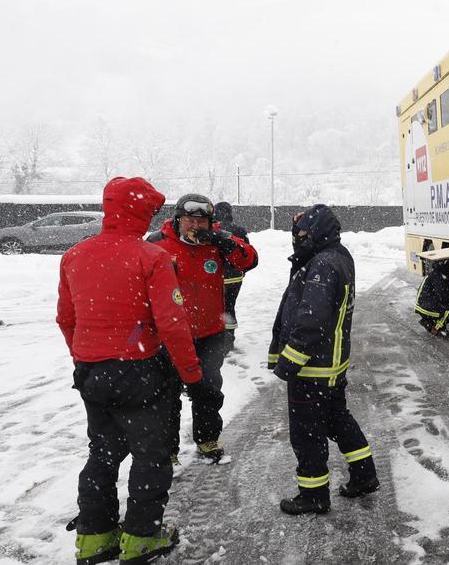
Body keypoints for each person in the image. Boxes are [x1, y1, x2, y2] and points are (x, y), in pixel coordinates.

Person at [57, 177, 218, 565]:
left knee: (102, 453)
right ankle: (142, 537)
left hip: (93, 373)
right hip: (141, 372)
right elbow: (173, 323)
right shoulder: (151, 257)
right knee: (151, 455)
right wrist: (192, 376)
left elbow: (66, 318)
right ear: (144, 213)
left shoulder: (75, 255)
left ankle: (95, 538)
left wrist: (86, 358)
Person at [268, 204, 378, 516]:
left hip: (312, 369)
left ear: (318, 233)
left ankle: (314, 494)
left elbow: (311, 321)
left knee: (307, 434)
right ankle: (364, 475)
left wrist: (289, 362)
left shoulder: (322, 265)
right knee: (337, 420)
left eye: (303, 234)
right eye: (296, 234)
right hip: (330, 366)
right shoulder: (337, 257)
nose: (298, 239)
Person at [147, 194, 258, 464]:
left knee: (208, 390)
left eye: (202, 221)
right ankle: (168, 449)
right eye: (190, 220)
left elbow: (249, 260)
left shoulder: (218, 243)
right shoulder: (157, 243)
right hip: (170, 336)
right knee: (167, 395)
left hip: (209, 332)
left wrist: (222, 240)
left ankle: (207, 439)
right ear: (177, 219)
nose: (196, 225)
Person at [212, 201, 257, 332]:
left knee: (217, 308)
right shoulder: (239, 230)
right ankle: (230, 336)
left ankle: (218, 336)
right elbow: (248, 253)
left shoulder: (212, 230)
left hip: (217, 275)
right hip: (235, 276)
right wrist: (242, 270)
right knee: (230, 306)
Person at [414, 257, 449, 335]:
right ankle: (435, 328)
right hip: (424, 306)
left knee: (447, 306)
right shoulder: (439, 277)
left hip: (423, 303)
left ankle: (428, 321)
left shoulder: (438, 273)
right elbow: (443, 296)